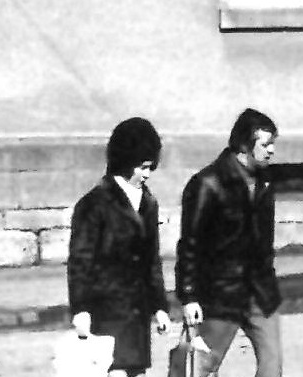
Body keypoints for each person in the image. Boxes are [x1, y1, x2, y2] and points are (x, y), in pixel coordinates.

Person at [176, 107, 282, 377]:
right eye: (266, 145)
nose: (272, 151)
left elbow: (264, 240)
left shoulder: (265, 182)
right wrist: (188, 296)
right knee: (196, 368)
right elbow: (190, 244)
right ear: (246, 145)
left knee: (273, 367)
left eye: (273, 144)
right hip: (219, 293)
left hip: (260, 291)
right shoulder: (206, 184)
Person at [67, 116, 172, 375]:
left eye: (150, 167)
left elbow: (151, 261)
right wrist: (80, 308)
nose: (147, 175)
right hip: (106, 312)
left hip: (137, 318)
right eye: (142, 167)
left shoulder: (148, 203)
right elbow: (81, 261)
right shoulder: (94, 204)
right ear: (126, 163)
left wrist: (159, 306)